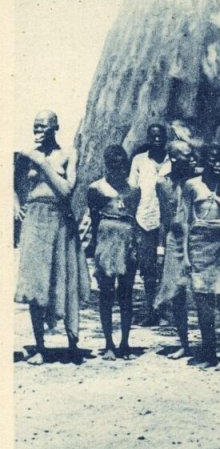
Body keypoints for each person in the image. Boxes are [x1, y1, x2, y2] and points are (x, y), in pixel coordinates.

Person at [14, 110, 90, 364]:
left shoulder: (68, 154)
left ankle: (72, 342)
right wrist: (15, 204)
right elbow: (13, 185)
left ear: (55, 128)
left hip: (60, 220)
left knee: (64, 277)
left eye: (43, 127)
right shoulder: (25, 156)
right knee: (37, 283)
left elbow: (67, 190)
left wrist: (41, 163)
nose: (37, 132)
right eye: (35, 127)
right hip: (34, 221)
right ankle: (39, 346)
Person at [182, 144, 220, 370]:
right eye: (213, 160)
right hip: (199, 247)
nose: (217, 165)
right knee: (203, 303)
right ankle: (209, 353)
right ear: (203, 161)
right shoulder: (191, 185)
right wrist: (186, 257)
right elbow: (186, 222)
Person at [86, 145, 141, 361]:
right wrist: (94, 245)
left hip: (127, 240)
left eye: (121, 166)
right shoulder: (96, 189)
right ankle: (108, 343)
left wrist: (135, 245)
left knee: (126, 294)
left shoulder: (134, 190)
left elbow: (133, 217)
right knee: (106, 293)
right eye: (112, 165)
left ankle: (125, 342)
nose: (117, 170)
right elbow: (93, 217)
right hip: (106, 240)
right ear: (107, 165)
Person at [154, 140, 197, 360]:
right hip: (175, 239)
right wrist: (161, 248)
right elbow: (163, 218)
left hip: (199, 239)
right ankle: (184, 343)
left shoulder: (201, 178)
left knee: (202, 291)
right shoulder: (162, 184)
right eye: (187, 155)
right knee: (177, 294)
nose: (192, 159)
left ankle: (211, 344)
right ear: (173, 158)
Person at [129, 123, 170, 326]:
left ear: (165, 138)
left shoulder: (173, 161)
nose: (156, 140)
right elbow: (132, 191)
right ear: (148, 138)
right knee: (147, 268)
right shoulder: (139, 160)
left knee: (167, 267)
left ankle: (165, 311)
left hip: (168, 222)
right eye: (153, 137)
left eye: (160, 137)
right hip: (144, 219)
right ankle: (152, 310)